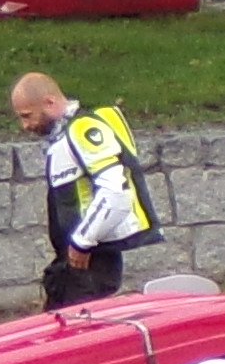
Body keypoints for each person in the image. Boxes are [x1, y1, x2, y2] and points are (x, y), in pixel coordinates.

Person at [12, 71, 156, 310]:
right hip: (74, 263)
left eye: (28, 116)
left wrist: (82, 241)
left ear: (49, 102)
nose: (25, 125)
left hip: (89, 262)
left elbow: (116, 192)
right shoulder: (65, 135)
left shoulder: (83, 129)